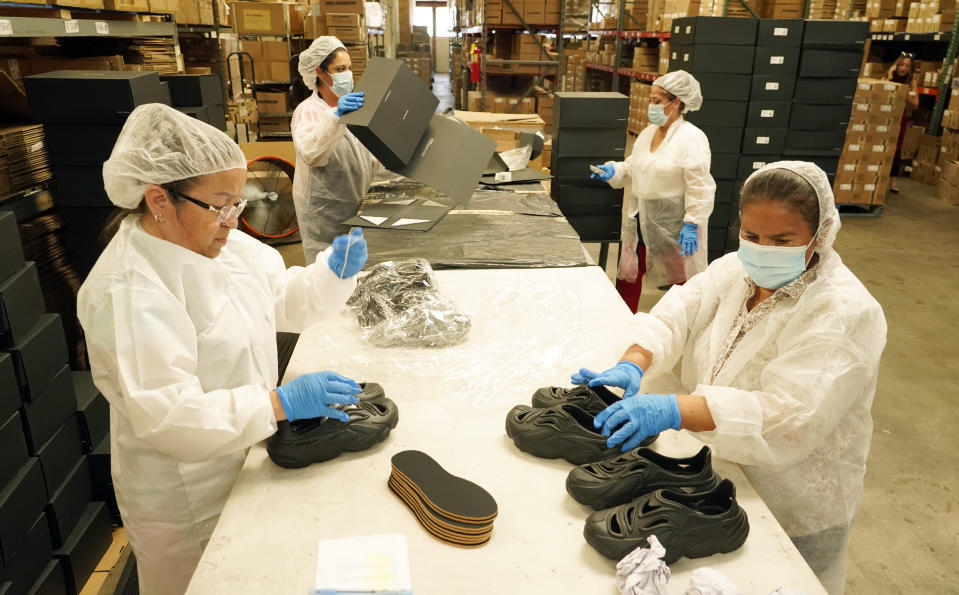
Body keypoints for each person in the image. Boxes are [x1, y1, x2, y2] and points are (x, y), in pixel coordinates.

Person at [78, 104, 371, 595]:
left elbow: (278, 302)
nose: (233, 221)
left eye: (239, 203)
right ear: (159, 200)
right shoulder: (127, 291)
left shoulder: (221, 243)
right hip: (186, 491)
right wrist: (278, 403)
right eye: (220, 206)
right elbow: (170, 415)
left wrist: (329, 274)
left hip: (247, 451)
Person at [572, 161, 886, 594]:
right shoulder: (736, 271)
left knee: (781, 581)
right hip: (714, 475)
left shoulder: (845, 312)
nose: (762, 250)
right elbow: (678, 311)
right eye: (752, 236)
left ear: (821, 235)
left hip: (792, 498)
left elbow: (789, 416)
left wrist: (673, 409)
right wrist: (634, 361)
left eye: (782, 240)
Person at [590, 70, 716, 313]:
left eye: (657, 101)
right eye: (650, 100)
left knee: (680, 283)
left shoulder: (691, 138)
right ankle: (624, 321)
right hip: (641, 219)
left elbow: (700, 186)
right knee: (630, 274)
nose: (651, 106)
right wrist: (613, 171)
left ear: (676, 103)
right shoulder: (648, 133)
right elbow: (634, 166)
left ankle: (680, 329)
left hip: (674, 225)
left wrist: (692, 222)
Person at [293, 36, 382, 263]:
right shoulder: (308, 111)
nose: (347, 74)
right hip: (325, 213)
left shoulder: (354, 107)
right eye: (340, 69)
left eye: (350, 68)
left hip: (356, 207)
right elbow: (311, 153)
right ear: (321, 73)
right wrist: (335, 117)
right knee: (326, 276)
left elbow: (369, 156)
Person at [885, 52, 920, 193]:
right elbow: (881, 92)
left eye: (907, 66)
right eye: (902, 64)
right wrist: (889, 77)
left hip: (900, 117)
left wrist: (904, 94)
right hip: (886, 115)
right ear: (896, 65)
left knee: (896, 149)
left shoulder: (911, 83)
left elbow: (916, 104)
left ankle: (893, 181)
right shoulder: (889, 77)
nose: (904, 68)